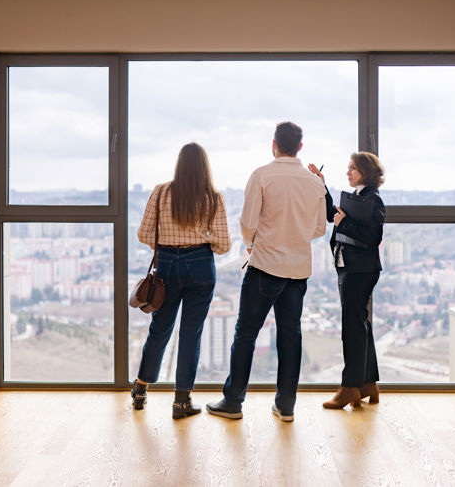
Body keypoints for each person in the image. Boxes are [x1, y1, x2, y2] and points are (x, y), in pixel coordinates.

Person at [206, 122, 326, 423]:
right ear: (300, 147)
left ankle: (233, 402)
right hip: (298, 271)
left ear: (274, 144)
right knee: (291, 336)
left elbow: (247, 222)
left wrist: (252, 244)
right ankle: (286, 406)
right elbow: (320, 228)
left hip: (264, 267)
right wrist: (295, 236)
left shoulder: (262, 175)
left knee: (245, 333)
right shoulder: (315, 183)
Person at [131, 142, 231, 419]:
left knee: (160, 328)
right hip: (200, 265)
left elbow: (143, 234)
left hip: (167, 265)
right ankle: (181, 401)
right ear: (204, 166)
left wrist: (168, 244)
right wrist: (201, 240)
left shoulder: (161, 192)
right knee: (191, 333)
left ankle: (140, 389)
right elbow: (223, 246)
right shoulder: (213, 197)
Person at [307, 152, 385, 410]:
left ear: (365, 171)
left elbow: (372, 237)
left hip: (359, 271)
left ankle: (350, 387)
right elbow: (333, 215)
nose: (348, 172)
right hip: (350, 267)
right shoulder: (359, 197)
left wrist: (345, 222)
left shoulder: (373, 200)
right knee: (360, 324)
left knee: (352, 328)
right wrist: (322, 184)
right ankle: (368, 384)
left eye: (352, 168)